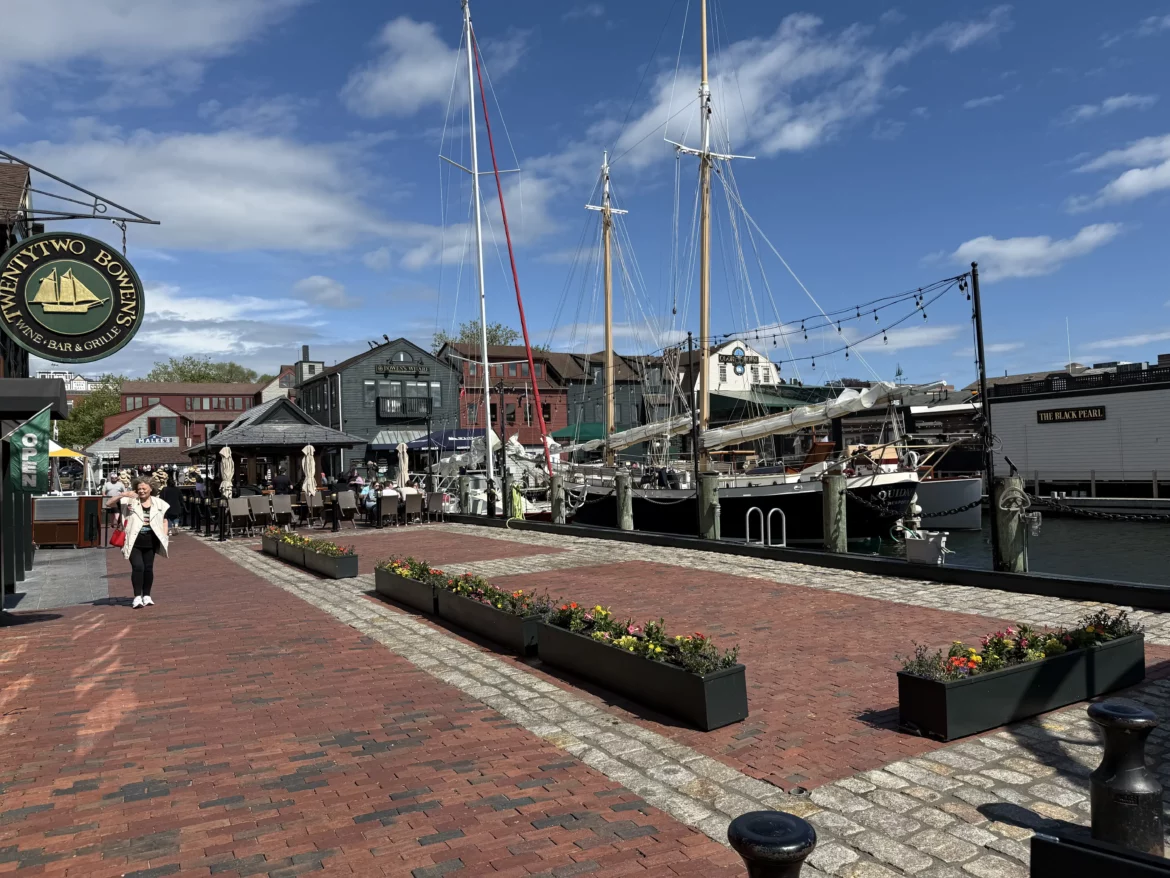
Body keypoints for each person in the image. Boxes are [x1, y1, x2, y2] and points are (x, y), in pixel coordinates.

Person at [106, 478, 170, 609]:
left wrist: (164, 536)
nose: (141, 491)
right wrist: (123, 494)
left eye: (144, 488)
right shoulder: (128, 501)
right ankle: (137, 597)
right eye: (139, 488)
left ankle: (146, 595)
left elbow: (164, 520)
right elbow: (109, 503)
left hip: (151, 540)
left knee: (148, 568)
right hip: (133, 540)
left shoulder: (159, 503)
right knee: (138, 567)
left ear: (151, 488)